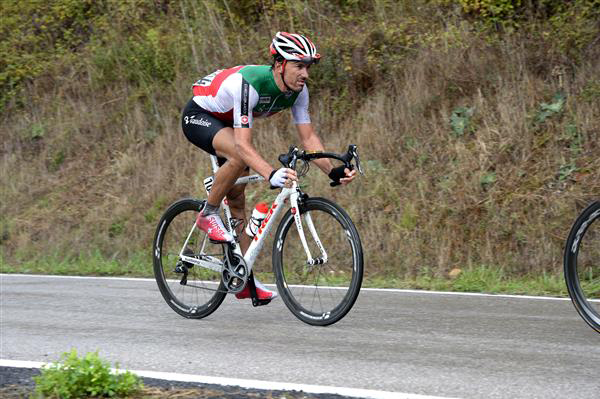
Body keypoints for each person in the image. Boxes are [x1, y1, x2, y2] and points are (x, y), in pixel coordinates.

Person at [181, 32, 356, 301]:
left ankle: (243, 278)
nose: (305, 73)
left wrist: (332, 170)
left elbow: (308, 138)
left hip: (227, 125)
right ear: (279, 64)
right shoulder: (249, 84)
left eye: (308, 67)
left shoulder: (298, 92)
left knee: (238, 203)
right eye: (299, 65)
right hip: (199, 116)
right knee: (239, 158)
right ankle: (208, 213)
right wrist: (270, 173)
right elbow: (242, 145)